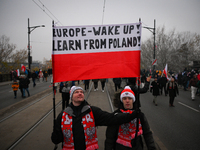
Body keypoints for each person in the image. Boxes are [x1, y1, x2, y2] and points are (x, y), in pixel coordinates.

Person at [51, 86, 140, 150]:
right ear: (71, 97)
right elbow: (56, 140)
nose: (80, 93)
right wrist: (55, 133)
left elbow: (111, 118)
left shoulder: (92, 111)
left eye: (81, 92)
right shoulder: (63, 115)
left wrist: (131, 115)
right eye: (76, 92)